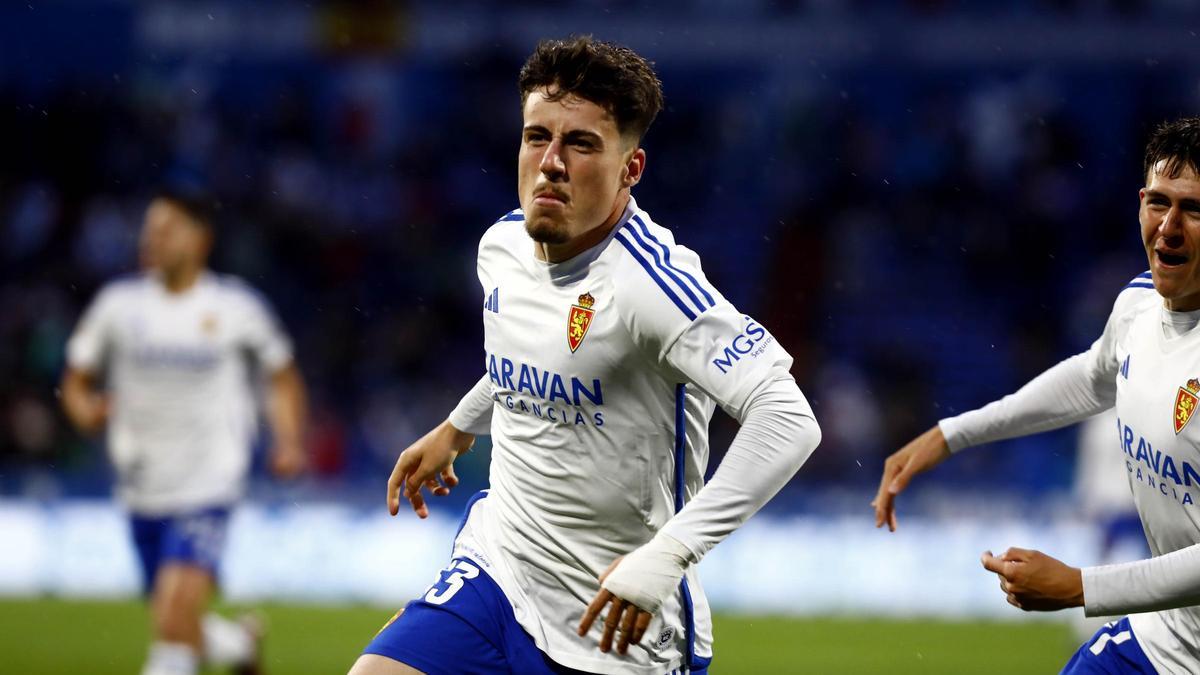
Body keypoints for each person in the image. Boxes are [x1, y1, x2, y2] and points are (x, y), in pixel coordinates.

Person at [349, 37, 821, 675]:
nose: (550, 163)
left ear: (632, 169)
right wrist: (459, 426)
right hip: (499, 572)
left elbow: (789, 420)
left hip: (616, 623)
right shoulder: (502, 247)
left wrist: (670, 554)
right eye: (536, 136)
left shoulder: (653, 288)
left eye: (581, 143)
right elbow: (528, 355)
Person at [873, 117, 1200, 673]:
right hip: (1166, 639)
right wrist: (953, 434)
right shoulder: (1139, 305)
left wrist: (1080, 586)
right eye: (1158, 203)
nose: (1168, 227)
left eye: (1194, 210)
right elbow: (1090, 377)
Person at [61, 190, 309, 675]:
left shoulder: (236, 307)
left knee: (173, 615)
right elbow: (76, 378)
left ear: (200, 240)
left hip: (209, 481)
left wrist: (289, 440)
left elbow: (281, 376)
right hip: (141, 484)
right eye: (150, 229)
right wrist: (84, 410)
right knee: (175, 619)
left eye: (168, 229)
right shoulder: (118, 306)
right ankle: (239, 645)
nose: (153, 239)